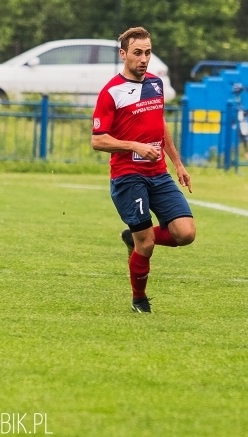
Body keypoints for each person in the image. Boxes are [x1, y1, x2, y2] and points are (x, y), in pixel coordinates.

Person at [91, 27, 196, 314]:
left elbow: (160, 125)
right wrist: (134, 145)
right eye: (137, 53)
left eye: (147, 52)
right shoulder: (111, 92)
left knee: (186, 233)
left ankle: (134, 237)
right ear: (123, 54)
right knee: (147, 243)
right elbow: (98, 140)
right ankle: (139, 299)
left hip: (158, 174)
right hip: (128, 177)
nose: (143, 59)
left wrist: (178, 163)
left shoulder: (156, 84)